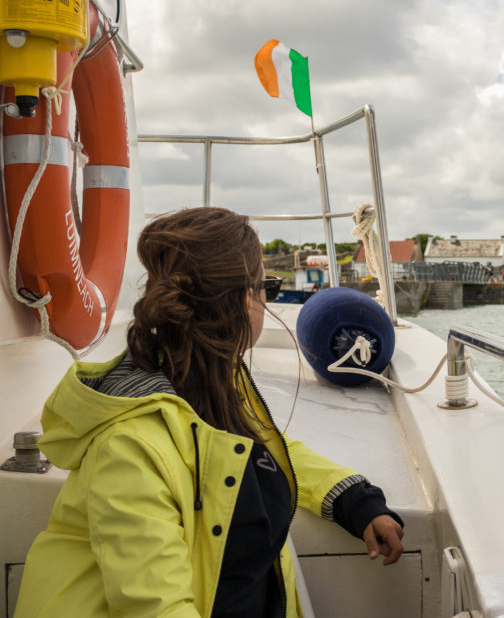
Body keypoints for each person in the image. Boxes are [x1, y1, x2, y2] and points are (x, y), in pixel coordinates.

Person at [15, 207, 404, 618]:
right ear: (239, 299)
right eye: (264, 286)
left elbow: (262, 450)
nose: (266, 298)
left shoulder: (209, 381)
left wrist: (352, 499)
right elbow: (155, 608)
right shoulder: (130, 448)